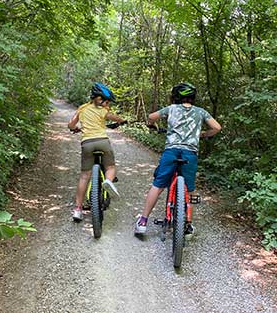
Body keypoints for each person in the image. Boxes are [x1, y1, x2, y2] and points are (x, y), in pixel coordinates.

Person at [134, 82, 221, 235]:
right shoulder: (201, 112)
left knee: (159, 184)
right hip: (190, 153)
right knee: (189, 188)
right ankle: (187, 223)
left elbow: (151, 117)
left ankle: (143, 221)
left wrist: (152, 125)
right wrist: (203, 134)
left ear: (175, 97)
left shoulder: (171, 109)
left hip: (171, 151)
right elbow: (217, 127)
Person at [68, 82, 126, 221]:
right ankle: (108, 181)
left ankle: (77, 209)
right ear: (100, 100)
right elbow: (115, 118)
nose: (106, 103)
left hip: (87, 143)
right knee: (111, 167)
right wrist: (122, 120)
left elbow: (71, 124)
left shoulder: (82, 108)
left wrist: (74, 128)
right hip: (102, 141)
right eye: (105, 101)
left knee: (84, 176)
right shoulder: (103, 111)